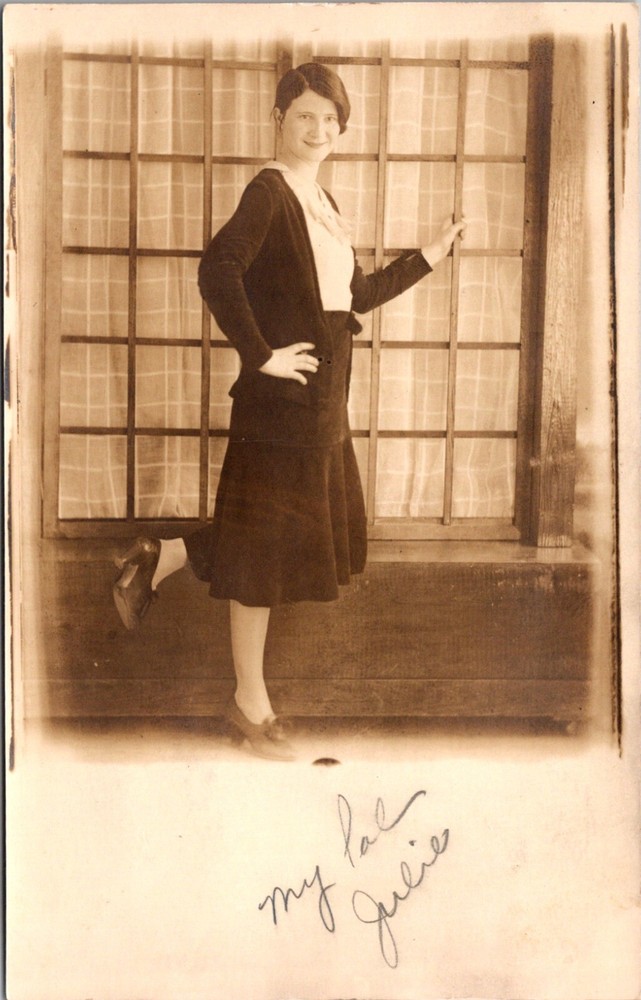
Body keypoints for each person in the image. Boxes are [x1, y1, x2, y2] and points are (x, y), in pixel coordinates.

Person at [113, 62, 465, 760]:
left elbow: (354, 297)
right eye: (305, 115)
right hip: (284, 407)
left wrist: (428, 255)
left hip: (320, 407)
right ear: (279, 116)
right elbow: (217, 269)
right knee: (266, 554)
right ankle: (249, 706)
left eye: (331, 119)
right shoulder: (270, 192)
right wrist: (259, 354)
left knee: (282, 536)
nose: (319, 129)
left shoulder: (319, 198)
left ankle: (165, 554)